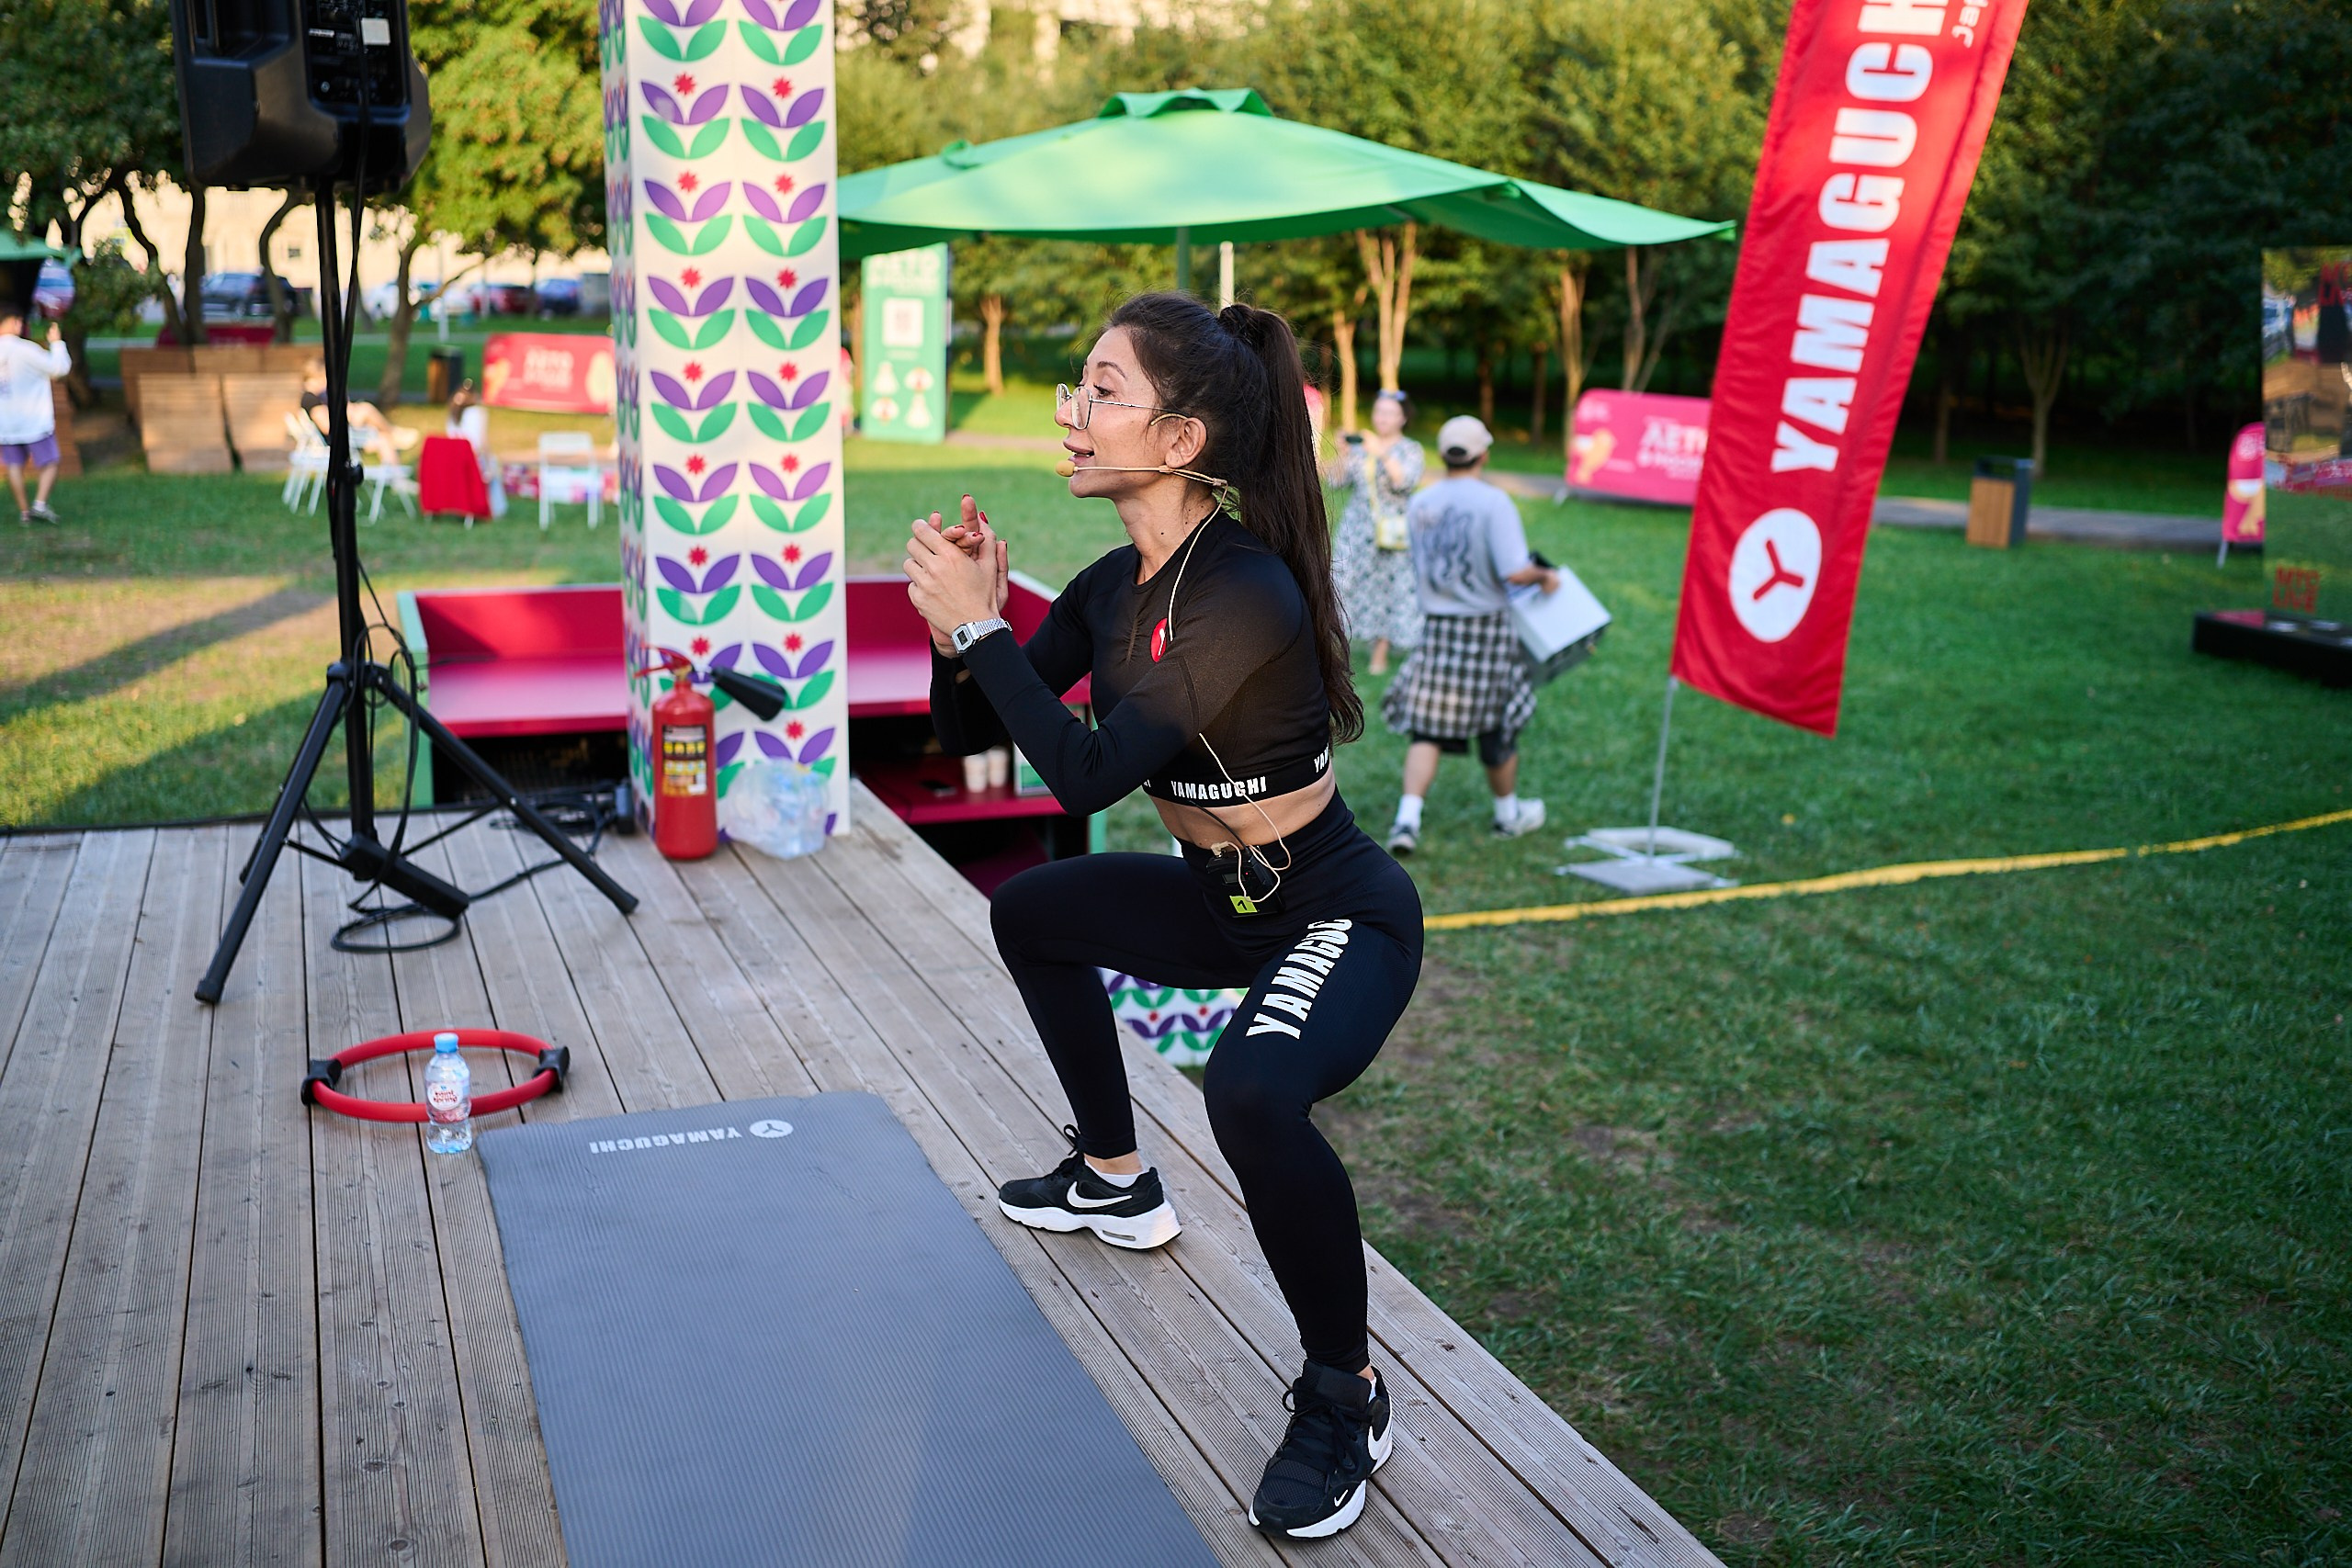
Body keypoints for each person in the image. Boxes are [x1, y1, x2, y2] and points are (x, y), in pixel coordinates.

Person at [901, 293, 1423, 1541]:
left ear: (1182, 438)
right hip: (1219, 899)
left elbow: (1086, 774)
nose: (1071, 413)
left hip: (1335, 909)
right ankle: (1118, 1174)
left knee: (1250, 1094)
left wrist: (985, 629)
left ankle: (1346, 1394)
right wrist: (953, 637)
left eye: (1101, 389)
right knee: (1034, 911)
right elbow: (970, 732)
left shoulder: (1245, 589)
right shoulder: (1109, 583)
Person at [1379, 414, 1559, 854]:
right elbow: (1513, 570)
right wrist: (1545, 577)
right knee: (1497, 724)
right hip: (1486, 627)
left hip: (1439, 626)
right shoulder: (1494, 503)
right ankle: (1507, 815)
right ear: (1484, 455)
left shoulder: (1422, 502)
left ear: (1444, 455)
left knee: (1427, 728)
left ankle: (1407, 820)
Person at [1326, 389, 1424, 675]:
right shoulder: (1360, 448)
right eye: (1379, 411)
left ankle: (1379, 653)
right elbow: (1335, 481)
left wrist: (1380, 452)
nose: (1382, 418)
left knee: (1386, 589)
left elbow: (1403, 482)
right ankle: (1338, 647)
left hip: (1392, 534)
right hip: (1356, 529)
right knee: (1341, 584)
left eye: (1389, 413)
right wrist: (1342, 453)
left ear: (1403, 418)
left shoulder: (1410, 450)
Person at [0, 310, 72, 525]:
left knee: (14, 465)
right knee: (50, 461)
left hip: (6, 422)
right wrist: (57, 343)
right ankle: (39, 504)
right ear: (13, 322)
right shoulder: (25, 349)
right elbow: (58, 369)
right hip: (34, 420)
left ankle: (24, 513)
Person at [300, 355, 413, 465]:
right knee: (365, 409)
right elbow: (327, 426)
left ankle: (397, 478)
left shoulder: (315, 397)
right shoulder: (310, 399)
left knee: (383, 437)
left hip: (345, 437)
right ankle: (393, 433)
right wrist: (347, 413)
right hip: (338, 442)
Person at [444, 379, 508, 517]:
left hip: (452, 461)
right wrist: (490, 462)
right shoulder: (478, 412)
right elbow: (482, 442)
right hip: (472, 461)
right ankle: (497, 510)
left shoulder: (452, 411)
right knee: (493, 465)